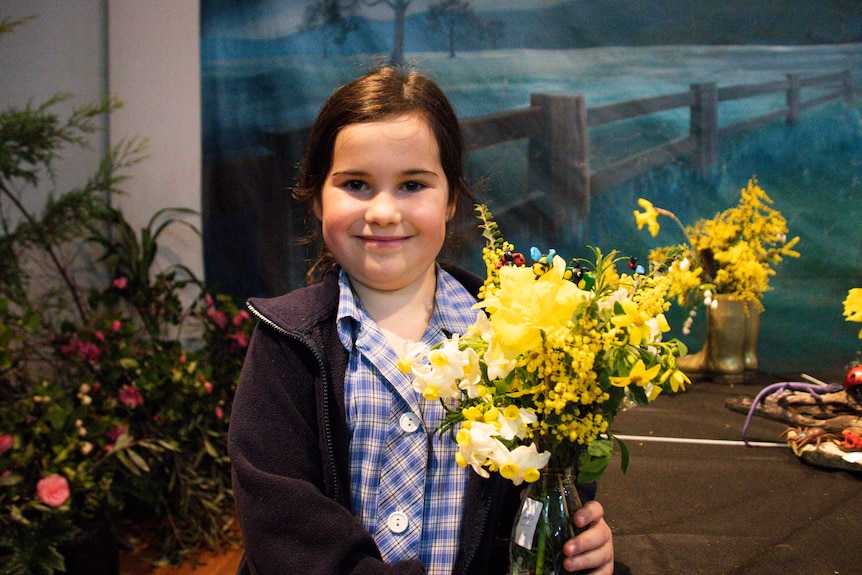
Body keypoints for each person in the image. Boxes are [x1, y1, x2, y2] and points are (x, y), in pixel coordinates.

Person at [228, 65, 614, 575]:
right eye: (356, 184)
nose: (384, 211)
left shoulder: (512, 334)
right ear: (317, 194)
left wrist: (577, 544)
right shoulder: (288, 342)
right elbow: (282, 523)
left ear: (451, 198)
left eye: (412, 184)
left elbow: (545, 490)